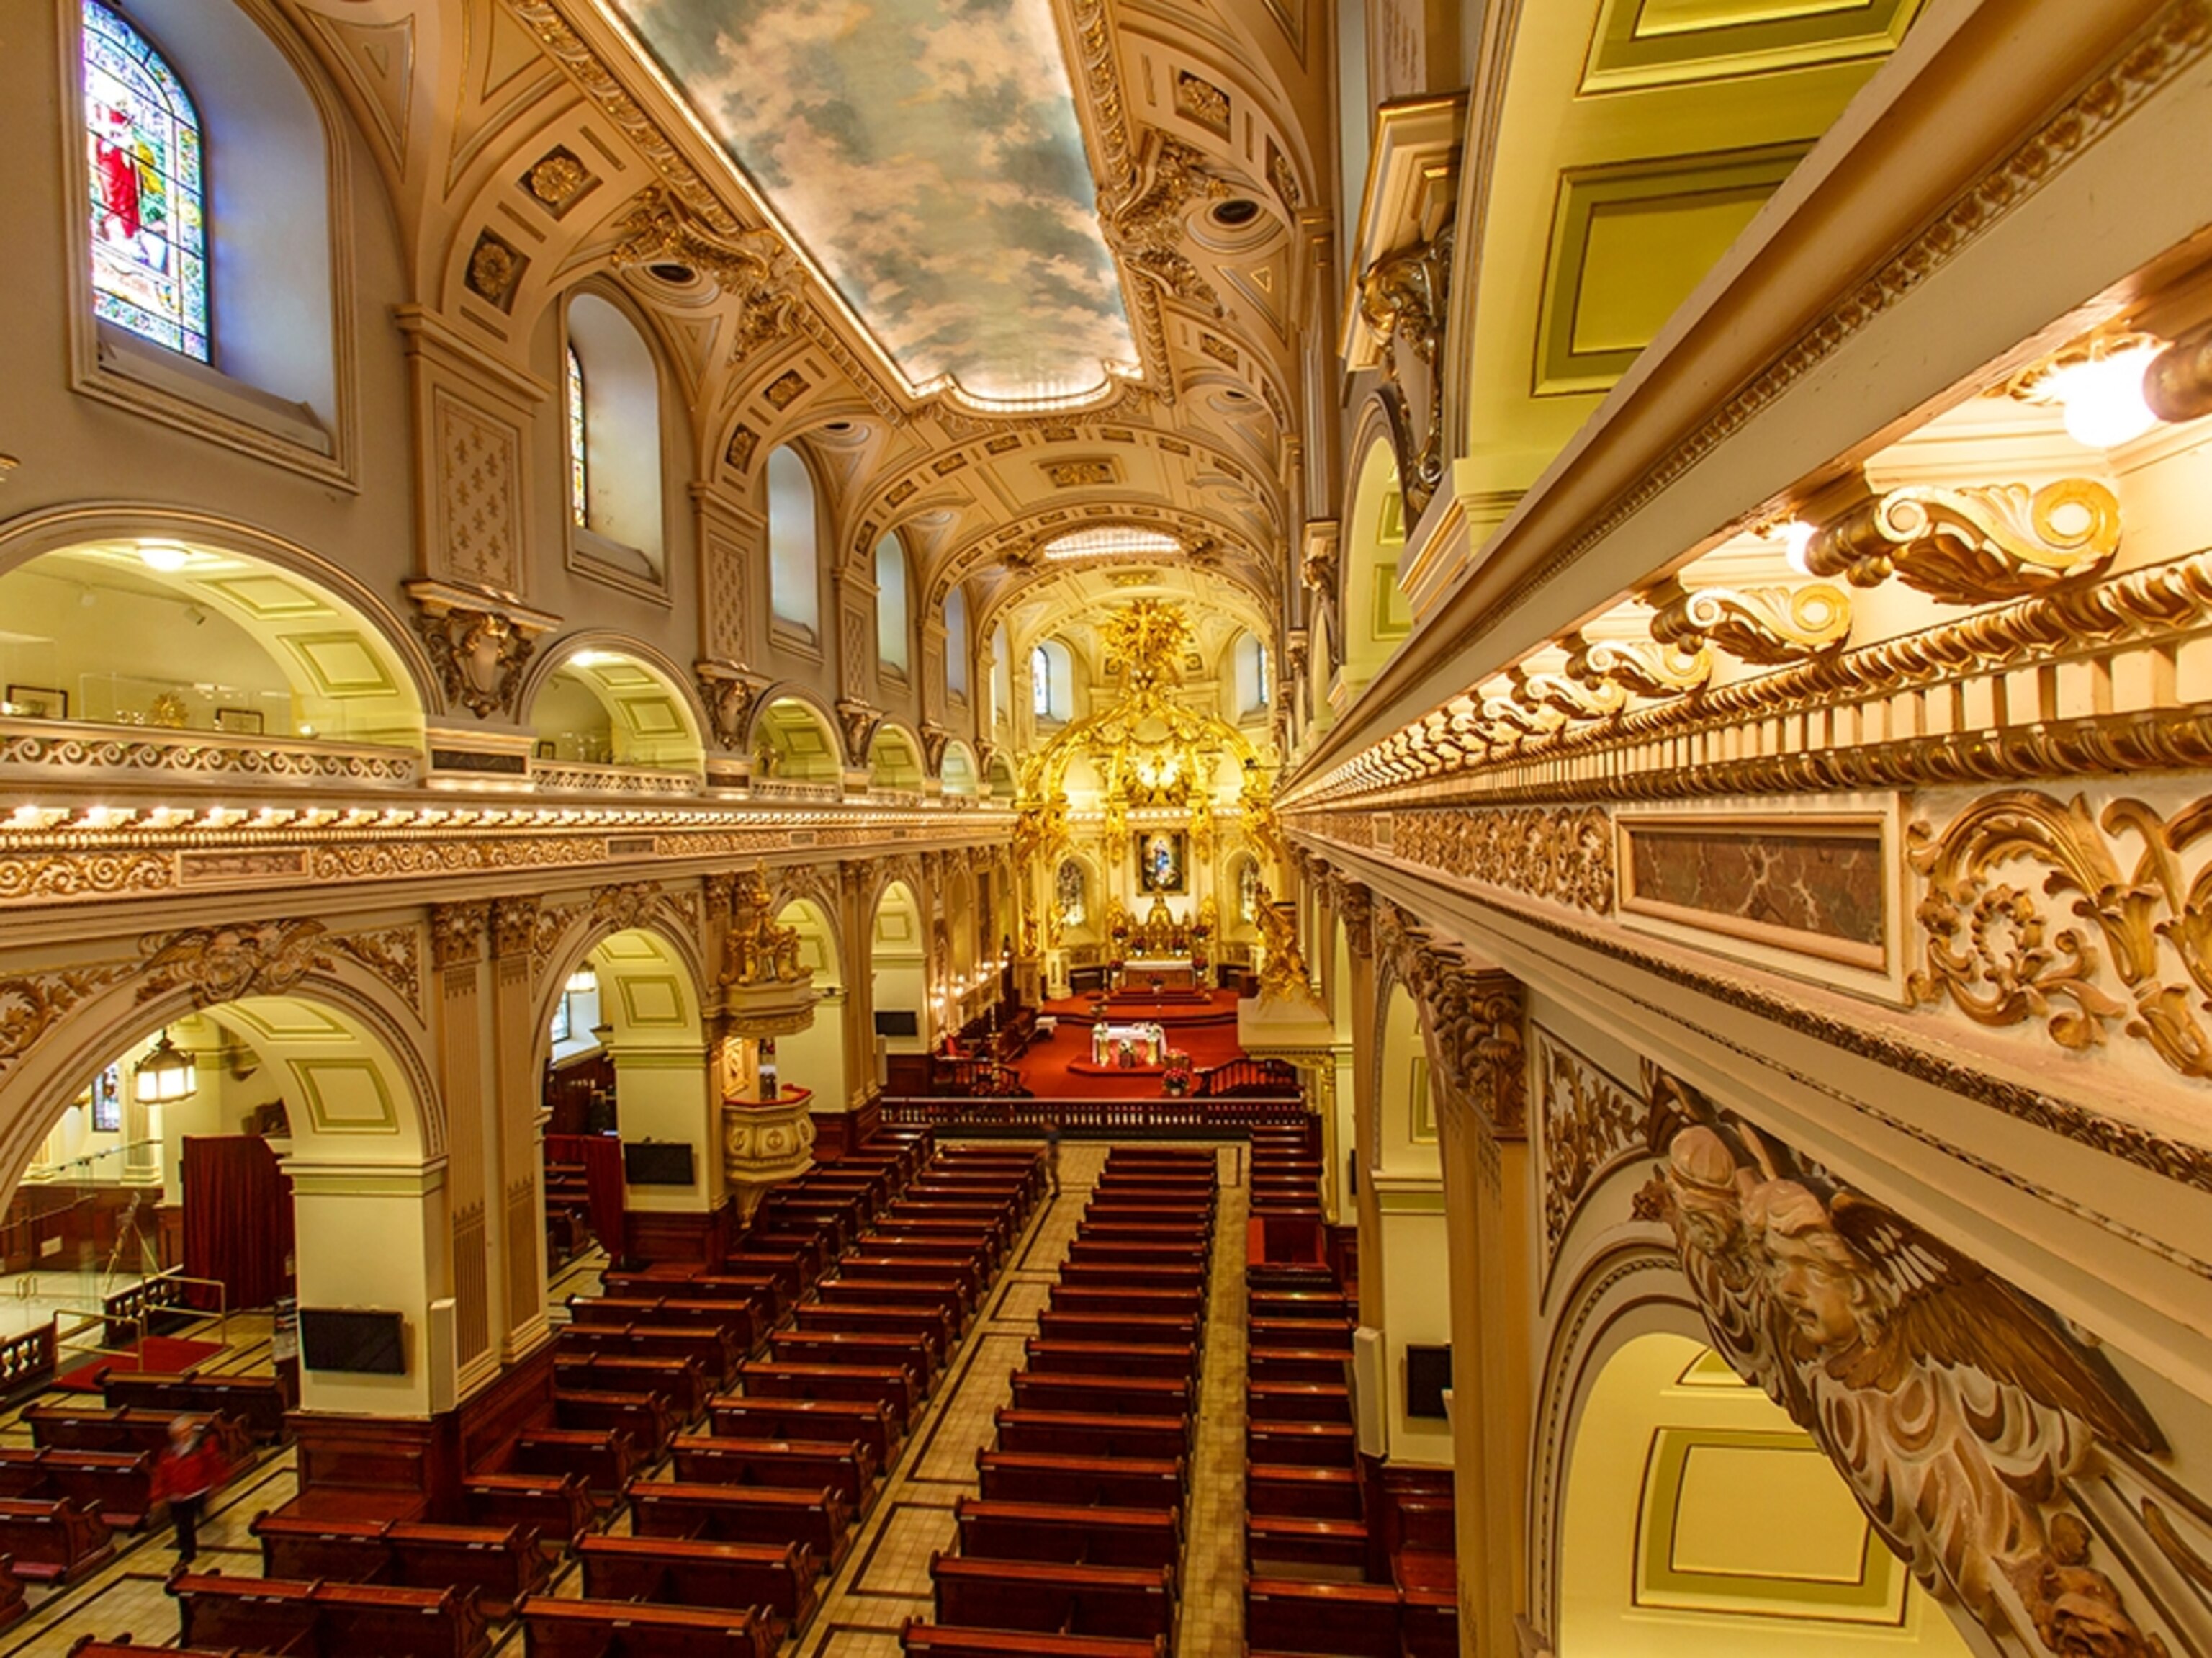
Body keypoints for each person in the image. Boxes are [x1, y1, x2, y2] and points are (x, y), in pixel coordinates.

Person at [152, 1415, 224, 1565]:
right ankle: (187, 1553)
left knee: (195, 1516)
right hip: (177, 1496)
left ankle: (203, 1520)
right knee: (183, 1525)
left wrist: (218, 1482)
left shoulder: (201, 1446)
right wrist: (158, 1496)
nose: (183, 1435)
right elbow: (161, 1474)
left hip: (196, 1490)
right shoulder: (168, 1452)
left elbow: (213, 1464)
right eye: (179, 1433)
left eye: (186, 1431)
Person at [1043, 1123, 1061, 1199]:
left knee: (1053, 1174)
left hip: (1053, 1157)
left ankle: (1057, 1191)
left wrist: (1049, 1154)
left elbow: (1053, 1147)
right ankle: (1044, 1184)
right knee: (1042, 1166)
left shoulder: (1053, 1135)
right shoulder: (1051, 1135)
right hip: (1051, 1155)